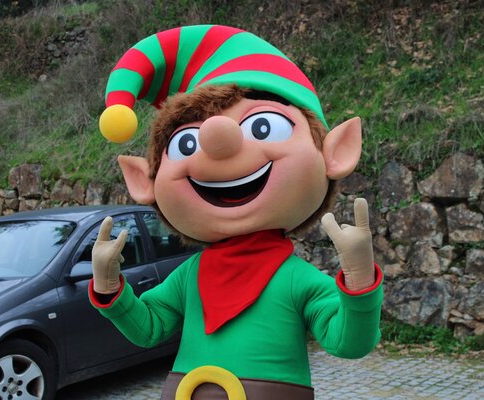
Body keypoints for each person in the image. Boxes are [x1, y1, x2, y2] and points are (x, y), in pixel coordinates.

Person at [89, 25, 383, 400]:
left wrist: (359, 279)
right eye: (186, 143)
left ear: (335, 153)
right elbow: (148, 328)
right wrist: (109, 286)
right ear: (143, 179)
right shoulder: (189, 277)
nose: (218, 139)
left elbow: (348, 343)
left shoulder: (296, 280)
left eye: (263, 126)